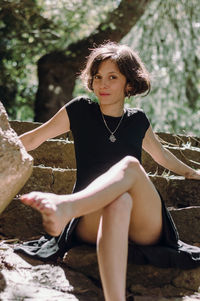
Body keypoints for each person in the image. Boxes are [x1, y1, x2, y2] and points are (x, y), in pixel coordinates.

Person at [16, 42, 200, 301]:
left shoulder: (137, 121)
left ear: (130, 84)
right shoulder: (79, 110)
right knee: (119, 200)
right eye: (98, 77)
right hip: (90, 218)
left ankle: (66, 206)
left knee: (130, 167)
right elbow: (34, 140)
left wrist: (192, 172)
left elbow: (161, 156)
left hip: (144, 223)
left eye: (113, 77)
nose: (102, 84)